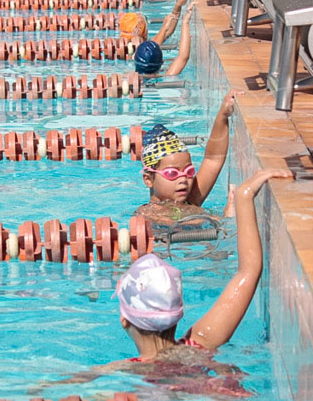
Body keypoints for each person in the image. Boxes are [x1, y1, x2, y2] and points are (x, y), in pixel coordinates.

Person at [118, 167, 292, 360]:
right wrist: (245, 196)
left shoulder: (127, 373)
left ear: (124, 320)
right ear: (178, 314)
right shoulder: (202, 343)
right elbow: (249, 271)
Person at [134, 89, 243, 226]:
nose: (183, 179)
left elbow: (213, 160)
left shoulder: (190, 199)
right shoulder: (147, 213)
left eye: (189, 172)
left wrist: (223, 114)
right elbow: (177, 224)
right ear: (148, 179)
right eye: (172, 173)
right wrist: (226, 220)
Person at [133, 2, 195, 79]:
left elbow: (183, 58)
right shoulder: (167, 75)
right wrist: (185, 22)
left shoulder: (129, 77)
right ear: (162, 62)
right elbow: (183, 57)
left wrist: (165, 28)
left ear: (134, 58)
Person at [119, 0, 190, 44]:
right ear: (145, 33)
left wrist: (178, 6)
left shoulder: (120, 47)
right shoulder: (146, 50)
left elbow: (166, 33)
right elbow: (167, 33)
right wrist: (178, 5)